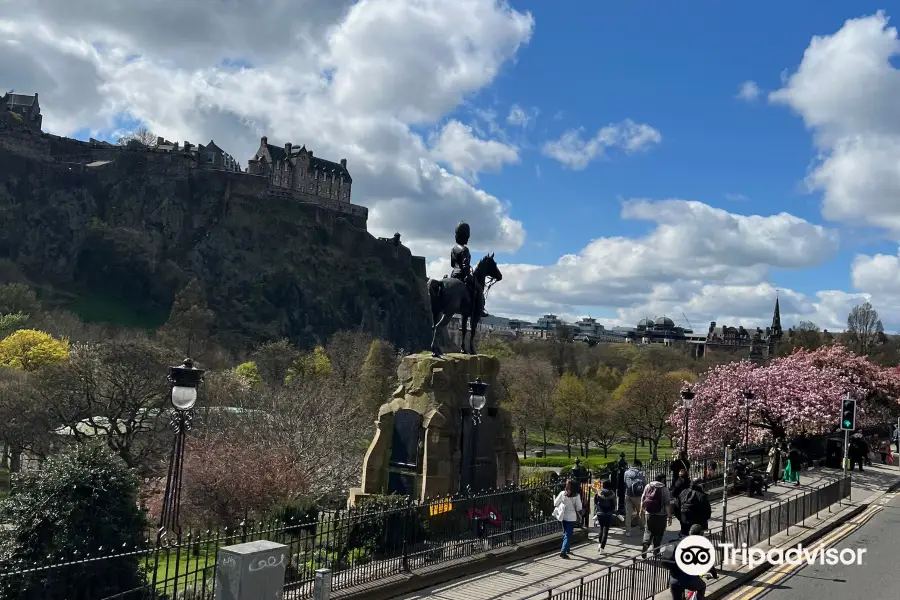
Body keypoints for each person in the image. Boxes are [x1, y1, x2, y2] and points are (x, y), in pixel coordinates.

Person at [661, 524, 718, 600]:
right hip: (689, 580)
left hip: (674, 580)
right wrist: (714, 574)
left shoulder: (679, 541)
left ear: (690, 532)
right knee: (702, 586)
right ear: (701, 534)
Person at [450, 221, 488, 318]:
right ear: (466, 236)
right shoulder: (464, 249)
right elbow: (465, 265)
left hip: (453, 275)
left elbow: (452, 264)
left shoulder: (453, 249)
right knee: (479, 289)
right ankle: (480, 309)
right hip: (462, 275)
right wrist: (467, 275)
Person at [639, 473, 673, 558]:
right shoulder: (664, 489)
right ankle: (656, 551)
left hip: (649, 513)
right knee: (659, 533)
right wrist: (669, 516)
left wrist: (641, 511)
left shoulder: (648, 486)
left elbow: (643, 499)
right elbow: (667, 504)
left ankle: (646, 543)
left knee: (648, 530)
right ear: (662, 479)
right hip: (660, 515)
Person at [554, 479, 583, 558]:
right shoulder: (576, 496)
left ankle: (567, 549)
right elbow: (579, 508)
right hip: (571, 517)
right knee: (568, 534)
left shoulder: (562, 493)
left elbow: (555, 503)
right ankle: (563, 551)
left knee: (565, 533)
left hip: (563, 516)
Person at [623, 459, 646, 537]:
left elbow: (624, 482)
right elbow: (644, 483)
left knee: (628, 514)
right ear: (638, 465)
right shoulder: (641, 473)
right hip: (638, 496)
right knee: (640, 512)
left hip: (628, 494)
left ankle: (628, 531)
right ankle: (642, 528)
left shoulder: (626, 472)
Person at [593, 479, 617, 553]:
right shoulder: (612, 493)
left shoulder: (599, 492)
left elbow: (595, 501)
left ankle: (599, 544)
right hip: (608, 513)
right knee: (606, 531)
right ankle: (602, 548)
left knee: (601, 528)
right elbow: (614, 504)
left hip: (600, 513)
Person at [570, 458, 590, 527]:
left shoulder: (572, 484)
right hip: (578, 502)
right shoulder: (576, 486)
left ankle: (579, 522)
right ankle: (580, 522)